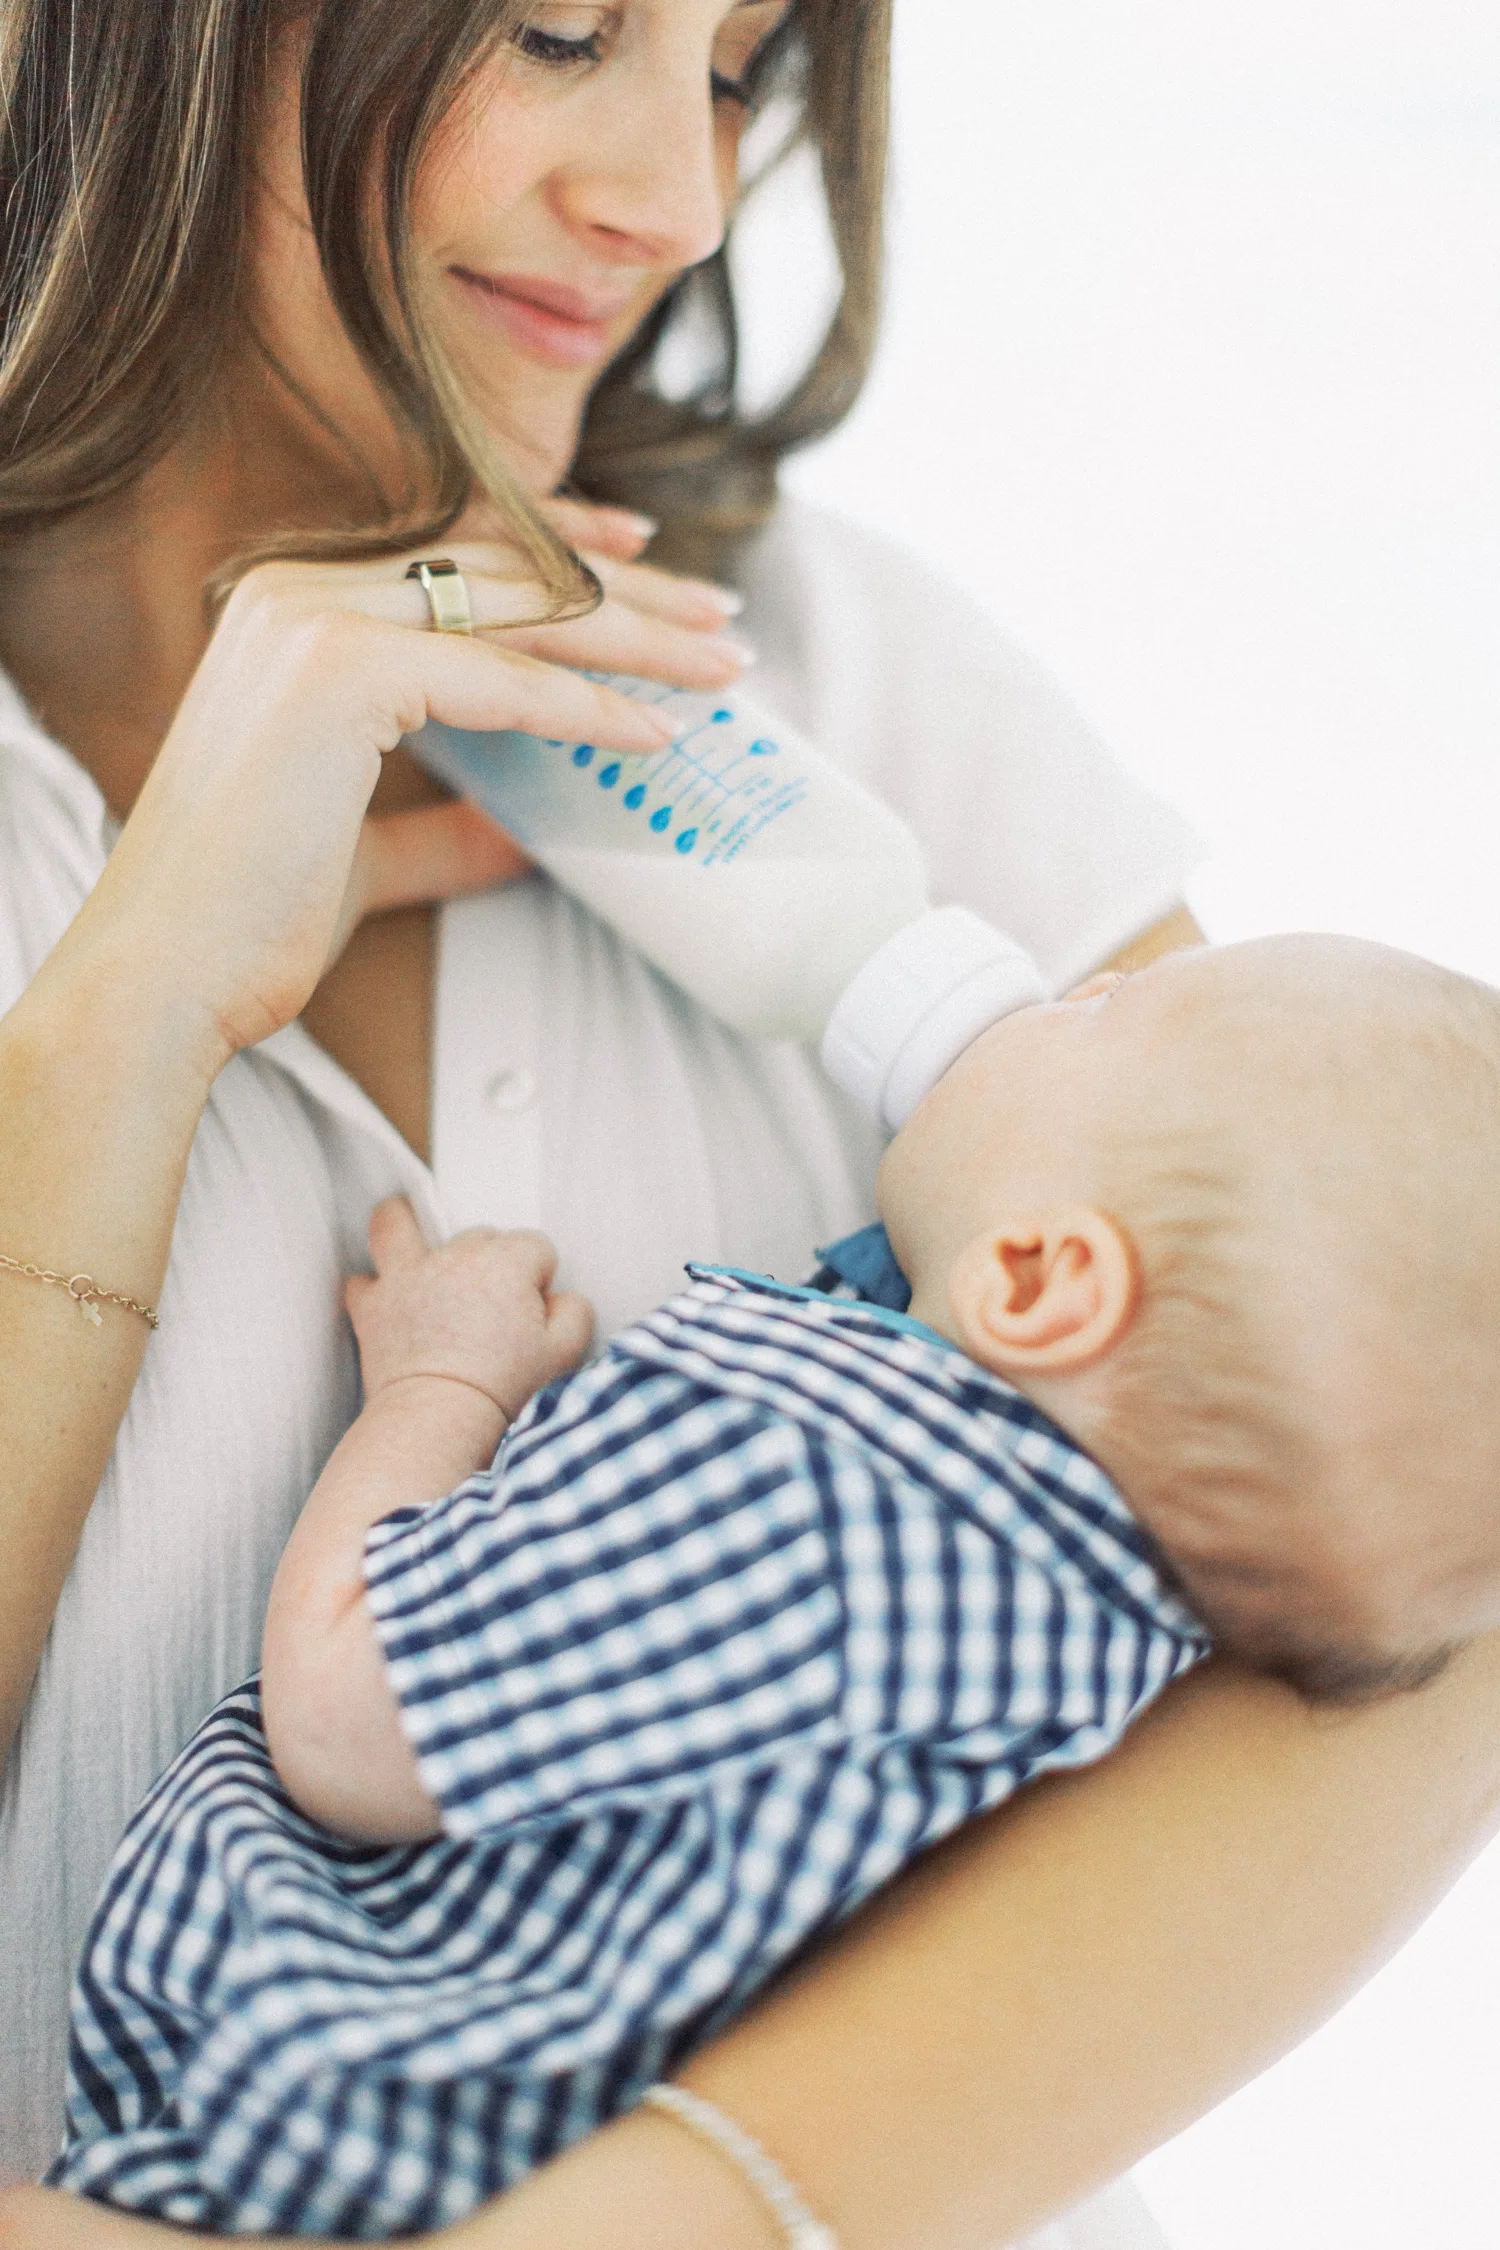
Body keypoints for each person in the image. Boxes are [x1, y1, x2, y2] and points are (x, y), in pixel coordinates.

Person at [3, 1, 1500, 2243]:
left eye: (737, 60)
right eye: (562, 25)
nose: (683, 200)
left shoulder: (806, 670)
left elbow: (1422, 1530)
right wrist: (118, 1021)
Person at [49, 934, 1500, 2236]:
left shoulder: (820, 1476)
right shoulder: (1097, 1639)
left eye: (1103, 1007)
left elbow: (348, 1718)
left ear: (1043, 1275)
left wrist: (438, 1385)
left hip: (322, 2148)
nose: (1055, 981)